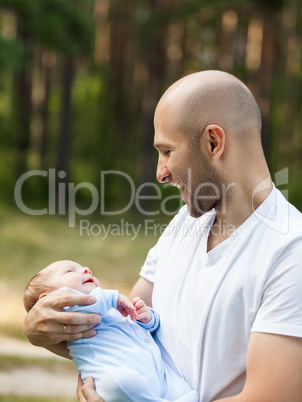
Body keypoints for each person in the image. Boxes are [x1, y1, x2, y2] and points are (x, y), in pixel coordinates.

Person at [23, 70, 302, 402]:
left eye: (167, 151)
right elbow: (124, 331)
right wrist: (38, 332)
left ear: (214, 142)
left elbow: (269, 397)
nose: (160, 172)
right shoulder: (186, 221)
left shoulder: (290, 252)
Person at [23, 260, 198, 402]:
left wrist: (148, 318)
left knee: (182, 391)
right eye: (69, 271)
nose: (86, 269)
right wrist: (113, 297)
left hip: (156, 372)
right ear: (47, 302)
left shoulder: (110, 309)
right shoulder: (71, 311)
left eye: (82, 267)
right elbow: (88, 301)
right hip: (116, 376)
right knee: (125, 383)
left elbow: (144, 330)